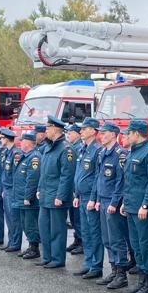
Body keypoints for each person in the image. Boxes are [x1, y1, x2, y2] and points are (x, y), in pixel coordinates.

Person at [120, 119, 148, 293]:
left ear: (137, 133)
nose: (126, 136)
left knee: (145, 245)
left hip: (143, 209)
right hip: (131, 206)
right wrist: (125, 202)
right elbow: (130, 181)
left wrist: (145, 204)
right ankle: (141, 282)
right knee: (136, 245)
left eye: (128, 133)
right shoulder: (133, 152)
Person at [92, 121, 130, 289]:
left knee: (116, 238)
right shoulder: (101, 152)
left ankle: (121, 274)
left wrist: (114, 203)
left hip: (113, 202)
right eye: (101, 132)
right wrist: (98, 199)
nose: (102, 135)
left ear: (114, 134)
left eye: (105, 133)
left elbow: (120, 182)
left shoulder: (120, 154)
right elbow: (99, 178)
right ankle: (114, 269)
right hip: (104, 199)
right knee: (107, 238)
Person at [37, 116, 76, 268]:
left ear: (56, 129)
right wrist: (39, 188)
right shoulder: (48, 147)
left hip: (56, 196)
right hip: (46, 193)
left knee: (57, 230)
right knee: (44, 227)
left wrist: (60, 196)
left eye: (48, 128)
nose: (45, 130)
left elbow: (67, 175)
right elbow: (43, 172)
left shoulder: (66, 149)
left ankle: (57, 259)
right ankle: (47, 256)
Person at [72, 117, 103, 279]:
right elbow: (79, 174)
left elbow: (97, 177)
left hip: (90, 198)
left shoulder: (97, 150)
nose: (81, 131)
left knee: (94, 231)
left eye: (84, 129)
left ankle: (96, 265)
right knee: (85, 231)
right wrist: (76, 194)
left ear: (93, 131)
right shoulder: (83, 148)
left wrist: (93, 198)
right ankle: (88, 262)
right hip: (81, 196)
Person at [19, 131, 41, 260]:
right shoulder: (26, 156)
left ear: (27, 143)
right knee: (25, 223)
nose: (21, 143)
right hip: (22, 196)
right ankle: (30, 246)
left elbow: (32, 180)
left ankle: (34, 248)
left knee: (31, 224)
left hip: (29, 199)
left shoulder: (34, 158)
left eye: (22, 141)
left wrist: (28, 197)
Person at [66, 122, 84, 255]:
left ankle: (82, 241)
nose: (68, 135)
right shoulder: (72, 147)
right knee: (73, 216)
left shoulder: (79, 148)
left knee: (78, 218)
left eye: (70, 133)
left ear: (77, 134)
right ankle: (77, 239)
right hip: (72, 187)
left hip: (76, 188)